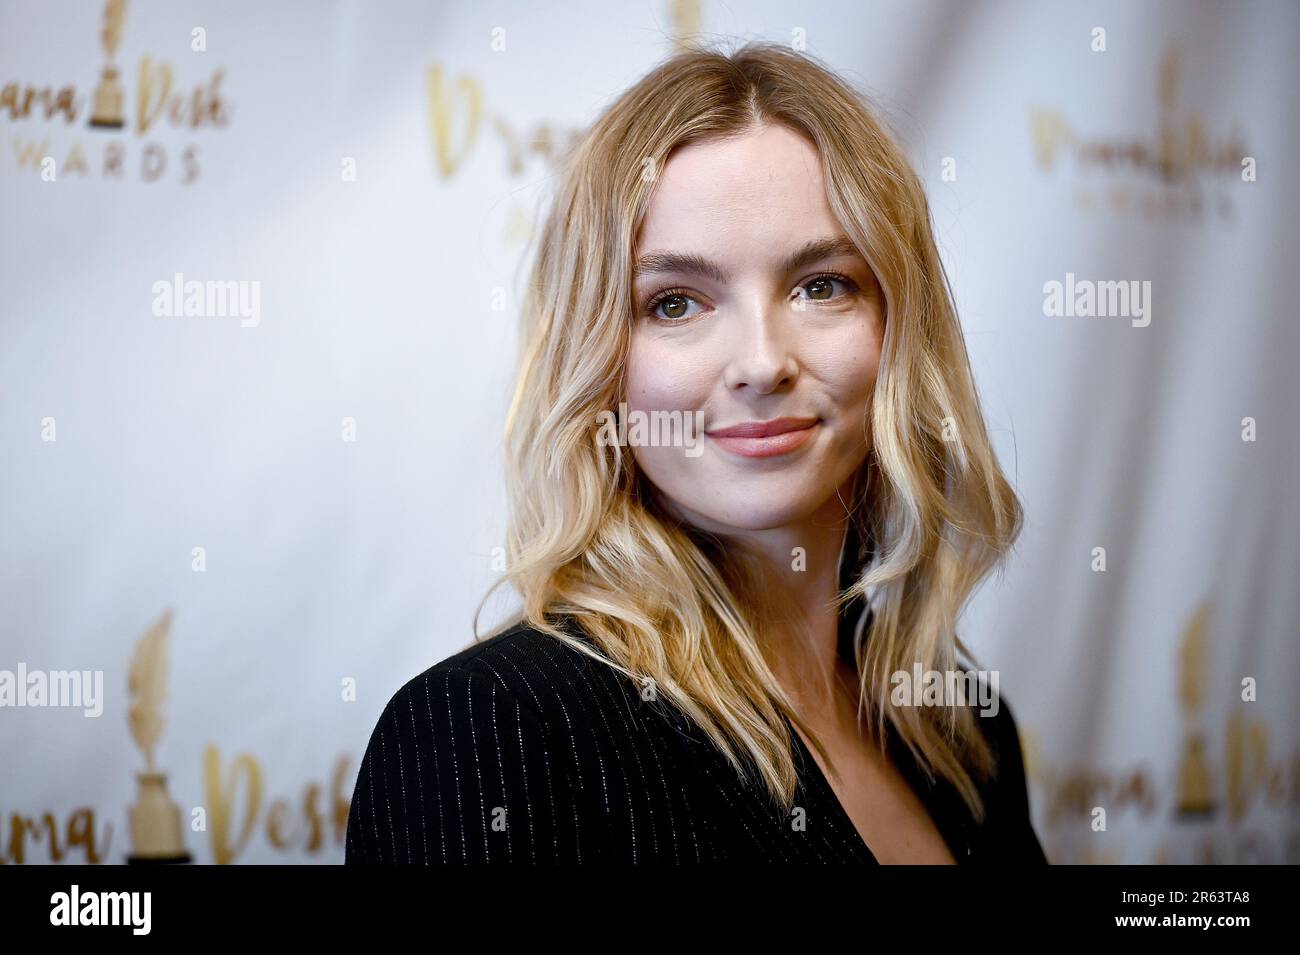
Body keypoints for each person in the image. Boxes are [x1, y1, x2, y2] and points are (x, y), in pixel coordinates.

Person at [345, 41, 1047, 865]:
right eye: (676, 302)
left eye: (822, 284)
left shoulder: (963, 726)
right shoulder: (490, 729)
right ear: (600, 362)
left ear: (900, 325)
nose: (760, 362)